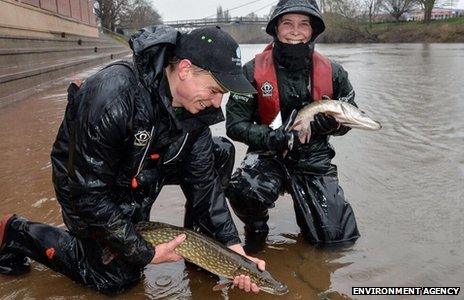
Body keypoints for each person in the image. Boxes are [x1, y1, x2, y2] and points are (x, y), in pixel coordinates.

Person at [0, 25, 265, 293]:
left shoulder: (195, 111)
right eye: (214, 90)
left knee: (219, 152)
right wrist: (144, 252)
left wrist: (232, 251)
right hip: (86, 182)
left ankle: (199, 250)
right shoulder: (112, 95)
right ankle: (14, 232)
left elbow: (205, 185)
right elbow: (88, 195)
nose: (217, 103)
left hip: (143, 167)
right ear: (184, 70)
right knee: (117, 277)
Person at [225, 0, 360, 251]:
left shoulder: (335, 73)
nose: (295, 31)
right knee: (244, 191)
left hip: (314, 158)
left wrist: (330, 126)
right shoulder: (251, 71)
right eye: (287, 23)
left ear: (313, 31)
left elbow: (349, 121)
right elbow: (235, 124)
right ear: (276, 28)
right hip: (268, 154)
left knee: (337, 239)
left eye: (303, 24)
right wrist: (271, 137)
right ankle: (257, 227)